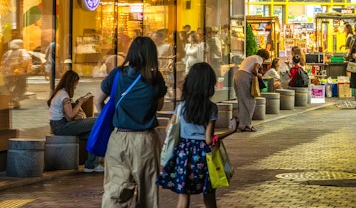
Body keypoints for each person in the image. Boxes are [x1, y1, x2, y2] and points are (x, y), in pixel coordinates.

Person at [96, 36, 167, 207]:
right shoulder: (156, 78)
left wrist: (109, 118)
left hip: (119, 137)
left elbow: (98, 100)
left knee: (116, 191)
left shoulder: (117, 74)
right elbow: (158, 106)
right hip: (145, 141)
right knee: (148, 194)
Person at [157, 62, 220, 208]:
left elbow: (169, 129)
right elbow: (209, 139)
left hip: (183, 153)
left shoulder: (181, 107)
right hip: (203, 155)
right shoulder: (211, 108)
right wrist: (232, 130)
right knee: (209, 196)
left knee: (183, 197)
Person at [47, 69, 104, 172]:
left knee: (95, 133)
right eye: (76, 83)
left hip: (60, 125)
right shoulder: (63, 95)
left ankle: (91, 165)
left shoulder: (60, 93)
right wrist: (81, 102)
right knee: (97, 121)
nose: (76, 86)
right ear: (71, 83)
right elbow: (70, 115)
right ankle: (92, 164)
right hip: (62, 126)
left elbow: (69, 115)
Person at [233, 48, 270, 131]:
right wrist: (259, 75)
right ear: (264, 57)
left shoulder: (250, 57)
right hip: (245, 77)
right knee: (250, 102)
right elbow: (254, 70)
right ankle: (246, 125)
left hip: (237, 76)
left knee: (242, 101)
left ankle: (241, 124)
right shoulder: (258, 59)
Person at [1, 39, 32, 109]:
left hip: (9, 74)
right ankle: (16, 99)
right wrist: (26, 69)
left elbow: (3, 62)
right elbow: (26, 60)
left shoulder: (8, 53)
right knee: (21, 87)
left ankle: (12, 98)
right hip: (20, 74)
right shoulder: (22, 51)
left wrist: (5, 71)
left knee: (9, 87)